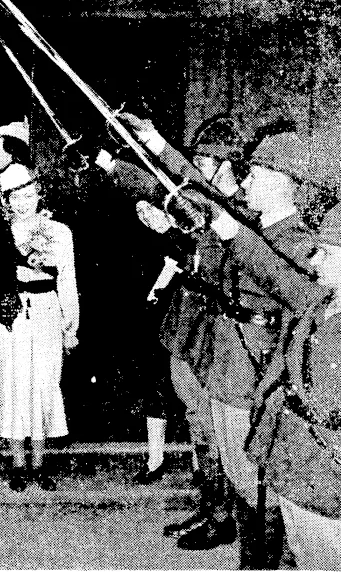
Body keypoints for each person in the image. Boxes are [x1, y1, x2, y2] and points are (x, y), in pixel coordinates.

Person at [125, 113, 329, 568]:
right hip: (229, 358)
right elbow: (196, 181)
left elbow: (282, 282)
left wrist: (227, 231)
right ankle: (253, 553)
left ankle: (265, 559)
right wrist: (149, 144)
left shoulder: (293, 238)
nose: (246, 177)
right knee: (240, 472)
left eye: (256, 172)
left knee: (256, 474)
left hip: (250, 363)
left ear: (285, 182)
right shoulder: (258, 220)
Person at [94, 115, 242, 549]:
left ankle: (224, 514)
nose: (189, 170)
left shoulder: (233, 213)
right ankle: (211, 503)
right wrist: (104, 160)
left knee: (216, 422)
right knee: (197, 417)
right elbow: (155, 187)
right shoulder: (200, 204)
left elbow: (211, 264)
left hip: (216, 329)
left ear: (224, 166)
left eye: (202, 162)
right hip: (186, 324)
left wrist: (173, 234)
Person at [246, 196, 341, 570]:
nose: (313, 261)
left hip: (331, 481)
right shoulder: (318, 300)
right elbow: (272, 270)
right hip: (295, 464)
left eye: (325, 252)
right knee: (304, 549)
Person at [0, 164, 79, 492]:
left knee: (44, 384)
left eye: (30, 195)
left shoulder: (58, 231)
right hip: (7, 314)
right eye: (16, 197)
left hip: (46, 311)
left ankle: (40, 462)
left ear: (40, 194)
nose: (24, 203)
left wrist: (70, 325)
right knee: (15, 386)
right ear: (5, 199)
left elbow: (67, 278)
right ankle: (17, 462)